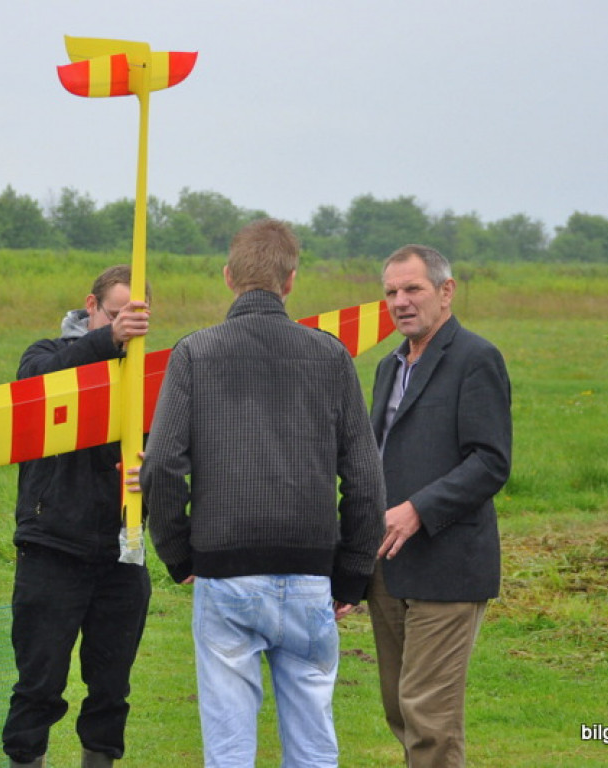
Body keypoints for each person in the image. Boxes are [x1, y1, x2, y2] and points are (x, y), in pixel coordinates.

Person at [139, 218, 385, 767]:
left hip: (225, 575)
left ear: (229, 277)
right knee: (314, 741)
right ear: (291, 281)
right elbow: (367, 478)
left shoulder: (195, 354)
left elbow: (160, 465)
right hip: (310, 576)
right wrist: (353, 572)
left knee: (228, 746)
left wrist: (178, 553)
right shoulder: (331, 356)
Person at [366, 245, 512, 768]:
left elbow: (490, 462)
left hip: (447, 566)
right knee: (401, 712)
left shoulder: (476, 358)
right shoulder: (388, 366)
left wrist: (420, 508)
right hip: (388, 569)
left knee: (429, 719)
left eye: (413, 290)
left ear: (446, 292)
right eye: (391, 292)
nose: (401, 302)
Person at [2, 265, 153, 768]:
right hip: (52, 550)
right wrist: (108, 341)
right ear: (91, 307)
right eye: (116, 316)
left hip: (121, 556)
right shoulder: (44, 354)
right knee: (38, 685)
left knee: (111, 690)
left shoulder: (149, 377)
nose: (127, 330)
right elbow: (36, 384)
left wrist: (153, 472)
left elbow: (177, 453)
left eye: (136, 320)